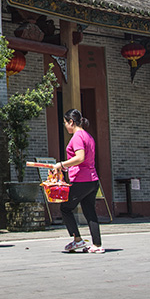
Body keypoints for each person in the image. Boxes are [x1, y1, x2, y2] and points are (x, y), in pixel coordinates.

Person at [53, 109, 104, 254]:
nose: (65, 126)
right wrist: (67, 167)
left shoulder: (77, 137)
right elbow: (83, 160)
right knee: (90, 211)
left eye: (65, 123)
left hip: (81, 180)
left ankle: (77, 240)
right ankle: (97, 244)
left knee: (65, 208)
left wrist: (61, 164)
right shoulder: (88, 136)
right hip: (92, 180)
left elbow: (80, 157)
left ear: (71, 122)